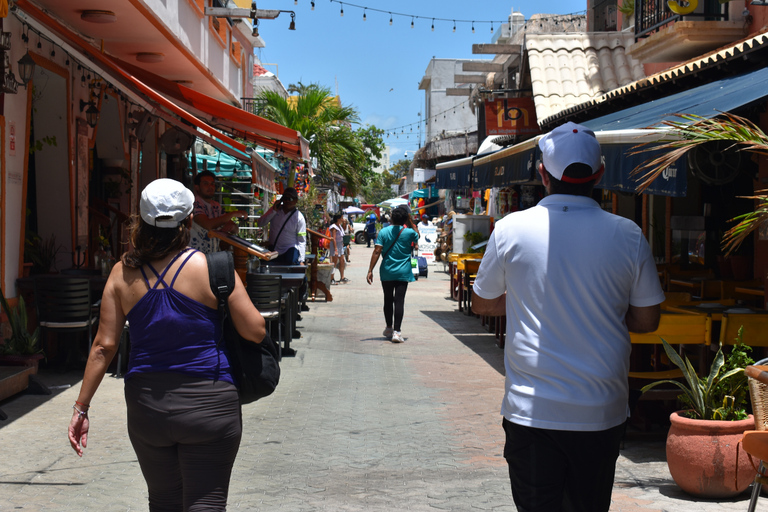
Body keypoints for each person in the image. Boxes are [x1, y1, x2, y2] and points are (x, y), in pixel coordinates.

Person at [471, 122, 664, 512]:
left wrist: (530, 300)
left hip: (532, 411)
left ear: (543, 174)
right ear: (600, 174)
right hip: (600, 411)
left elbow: (483, 303)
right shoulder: (628, 235)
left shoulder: (511, 229)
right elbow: (646, 321)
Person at [68, 178, 266, 511]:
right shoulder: (215, 268)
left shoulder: (121, 274)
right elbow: (256, 331)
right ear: (189, 221)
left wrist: (81, 408)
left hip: (148, 409)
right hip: (211, 406)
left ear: (142, 222)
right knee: (207, 501)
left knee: (163, 501)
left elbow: (104, 346)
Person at [366, 205, 420, 344]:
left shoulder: (383, 232)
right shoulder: (409, 232)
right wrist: (409, 220)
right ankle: (397, 332)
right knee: (399, 301)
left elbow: (377, 251)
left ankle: (389, 328)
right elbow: (417, 235)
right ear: (405, 219)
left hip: (387, 271)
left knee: (388, 299)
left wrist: (370, 270)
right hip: (403, 271)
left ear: (391, 218)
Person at [189, 170, 249, 254]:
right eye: (206, 183)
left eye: (212, 183)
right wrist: (233, 214)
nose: (210, 187)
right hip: (195, 256)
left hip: (213, 256)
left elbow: (235, 229)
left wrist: (231, 227)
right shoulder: (194, 204)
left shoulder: (216, 205)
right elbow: (208, 225)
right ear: (197, 187)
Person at [257, 187, 307, 265]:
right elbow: (260, 223)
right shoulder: (274, 211)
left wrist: (301, 260)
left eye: (290, 199)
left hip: (290, 251)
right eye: (285, 198)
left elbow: (301, 240)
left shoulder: (299, 218)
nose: (287, 201)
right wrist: (273, 211)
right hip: (274, 250)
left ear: (296, 200)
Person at [329, 213, 347, 283]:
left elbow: (344, 231)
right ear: (338, 219)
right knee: (334, 262)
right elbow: (334, 238)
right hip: (335, 245)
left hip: (340, 245)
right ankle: (331, 278)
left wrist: (344, 224)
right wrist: (335, 249)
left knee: (342, 261)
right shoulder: (334, 227)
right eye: (342, 218)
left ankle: (342, 277)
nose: (343, 219)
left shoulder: (339, 226)